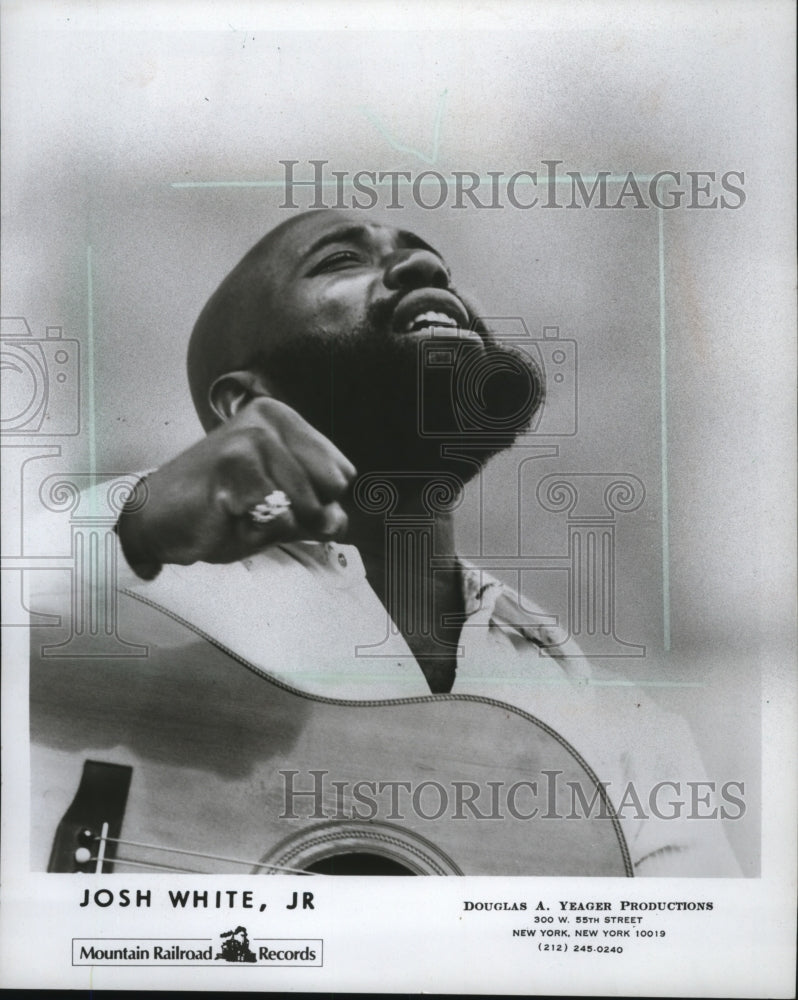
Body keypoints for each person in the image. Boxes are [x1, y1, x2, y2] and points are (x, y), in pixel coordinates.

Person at [39, 210, 743, 876]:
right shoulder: (124, 597)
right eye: (341, 260)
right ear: (243, 404)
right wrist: (137, 519)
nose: (422, 264)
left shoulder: (627, 743)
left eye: (432, 259)